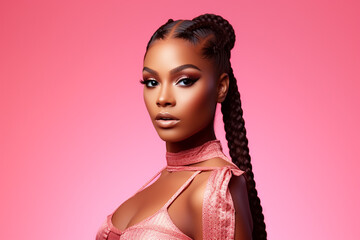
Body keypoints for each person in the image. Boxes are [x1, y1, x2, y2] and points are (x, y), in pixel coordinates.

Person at [96, 13, 267, 240]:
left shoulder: (214, 191)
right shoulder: (163, 178)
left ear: (221, 87)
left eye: (185, 80)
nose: (163, 98)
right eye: (152, 82)